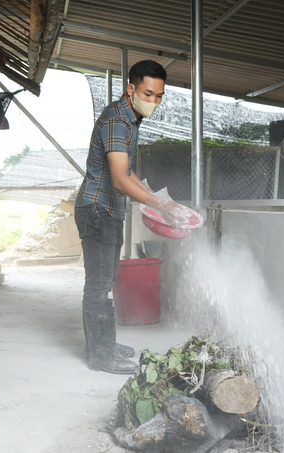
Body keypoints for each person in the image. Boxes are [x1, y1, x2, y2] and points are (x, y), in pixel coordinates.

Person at [74, 60, 188, 374]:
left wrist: (155, 196)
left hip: (108, 210)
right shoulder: (117, 120)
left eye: (159, 96)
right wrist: (160, 206)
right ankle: (100, 354)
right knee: (98, 284)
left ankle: (105, 345)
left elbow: (127, 171)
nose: (153, 101)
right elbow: (118, 179)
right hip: (97, 209)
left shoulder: (129, 119)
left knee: (106, 280)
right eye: (148, 93)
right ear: (131, 89)